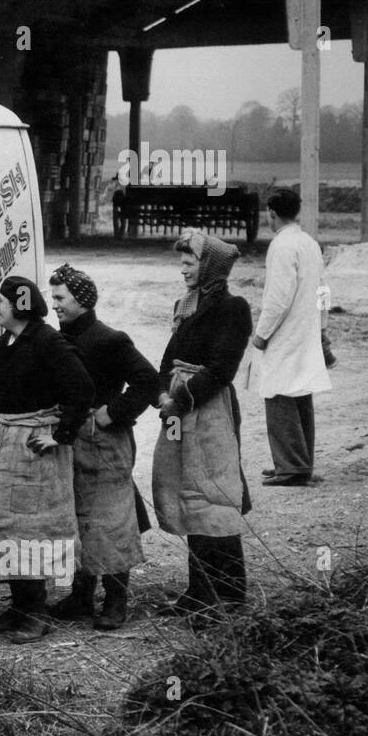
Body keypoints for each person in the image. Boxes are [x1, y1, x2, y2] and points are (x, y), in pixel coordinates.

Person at [0, 276, 94, 643]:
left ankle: (36, 613)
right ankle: (19, 607)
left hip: (32, 448)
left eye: (2, 302)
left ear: (19, 305)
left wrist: (59, 434)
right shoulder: (6, 341)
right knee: (6, 528)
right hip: (0, 444)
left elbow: (82, 388)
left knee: (30, 529)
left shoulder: (47, 342)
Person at [47, 263, 159, 630]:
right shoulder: (58, 339)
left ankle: (115, 600)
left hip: (106, 443)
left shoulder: (110, 339)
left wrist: (115, 412)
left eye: (60, 298)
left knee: (112, 519)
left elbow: (148, 380)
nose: (55, 304)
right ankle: (81, 597)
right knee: (79, 516)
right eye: (53, 298)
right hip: (72, 441)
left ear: (80, 299)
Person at [152, 229, 253, 622]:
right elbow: (168, 359)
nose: (183, 269)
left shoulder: (234, 308)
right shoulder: (186, 305)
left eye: (189, 262)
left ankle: (227, 599)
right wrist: (162, 394)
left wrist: (179, 398)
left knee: (215, 495)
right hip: (179, 413)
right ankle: (199, 593)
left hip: (209, 414)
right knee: (188, 493)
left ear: (209, 265)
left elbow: (222, 369)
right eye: (182, 262)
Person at [251, 188, 332, 486]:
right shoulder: (310, 243)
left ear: (271, 212)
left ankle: (291, 467)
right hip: (306, 329)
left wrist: (261, 333)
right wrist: (322, 324)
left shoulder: (282, 245)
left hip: (286, 332)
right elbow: (324, 287)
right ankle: (299, 462)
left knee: (278, 394)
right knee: (300, 395)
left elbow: (278, 297)